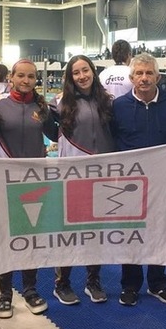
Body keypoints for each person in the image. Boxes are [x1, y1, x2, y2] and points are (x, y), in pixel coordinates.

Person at [111, 52, 166, 307]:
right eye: (139, 73)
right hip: (129, 185)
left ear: (158, 77)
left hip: (163, 184)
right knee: (130, 234)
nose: (144, 78)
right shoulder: (118, 107)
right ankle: (130, 284)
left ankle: (158, 282)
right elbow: (110, 143)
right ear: (131, 78)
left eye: (149, 73)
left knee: (161, 231)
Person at [0, 59, 58, 319]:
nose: (26, 80)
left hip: (34, 182)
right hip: (5, 180)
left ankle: (30, 290)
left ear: (35, 80)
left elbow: (56, 135)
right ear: (12, 77)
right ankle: (4, 293)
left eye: (30, 77)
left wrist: (66, 108)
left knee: (31, 238)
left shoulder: (41, 108)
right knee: (7, 238)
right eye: (21, 75)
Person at [49, 55, 115, 305]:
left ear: (93, 71)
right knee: (69, 230)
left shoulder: (107, 101)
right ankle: (62, 282)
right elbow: (48, 131)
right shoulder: (61, 103)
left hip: (102, 176)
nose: (82, 76)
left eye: (85, 70)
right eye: (76, 73)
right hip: (73, 178)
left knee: (96, 232)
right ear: (70, 77)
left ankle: (93, 280)